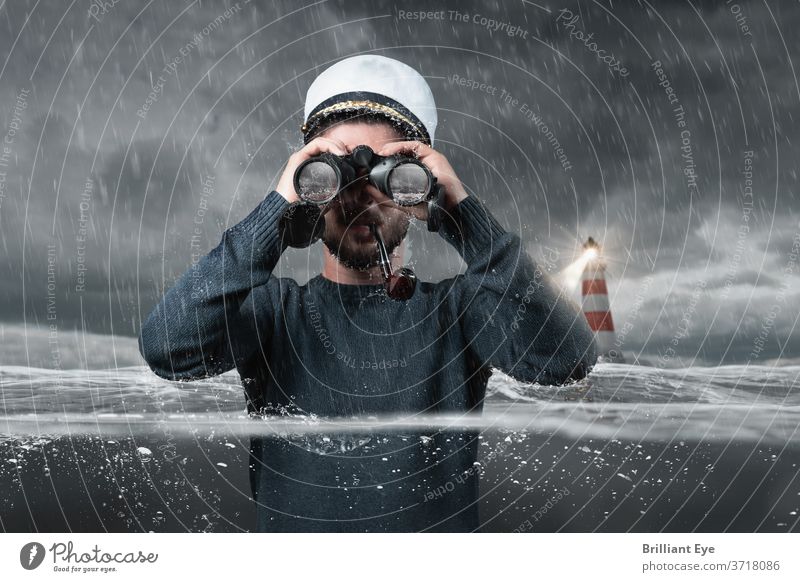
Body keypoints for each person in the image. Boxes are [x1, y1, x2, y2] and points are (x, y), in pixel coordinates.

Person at [139, 55, 597, 532]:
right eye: (333, 174)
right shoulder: (273, 314)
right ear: (308, 184)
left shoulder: (460, 312)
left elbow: (567, 361)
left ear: (421, 186)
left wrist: (464, 215)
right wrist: (275, 214)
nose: (360, 196)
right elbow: (168, 350)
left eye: (389, 174)